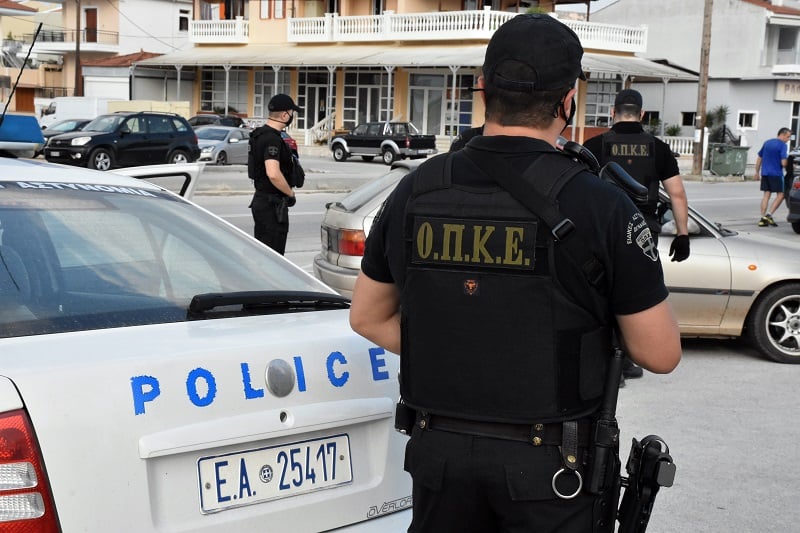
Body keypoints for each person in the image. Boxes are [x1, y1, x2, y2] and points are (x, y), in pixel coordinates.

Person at [349, 14, 681, 533]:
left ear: (484, 88)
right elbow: (659, 353)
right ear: (567, 100)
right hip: (552, 469)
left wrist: (465, 355)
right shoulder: (602, 204)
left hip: (440, 458)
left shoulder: (417, 187)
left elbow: (367, 317)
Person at [583, 88, 690, 382]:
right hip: (641, 231)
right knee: (635, 293)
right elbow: (677, 194)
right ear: (641, 115)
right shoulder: (658, 148)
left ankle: (605, 358)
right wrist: (682, 235)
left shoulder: (594, 145)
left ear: (612, 113)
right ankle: (627, 361)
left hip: (599, 230)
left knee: (598, 292)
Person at [247, 94, 301, 255]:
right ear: (284, 115)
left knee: (263, 255)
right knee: (273, 257)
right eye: (291, 113)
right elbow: (273, 173)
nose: (292, 117)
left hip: (261, 200)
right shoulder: (272, 139)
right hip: (272, 206)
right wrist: (290, 193)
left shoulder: (258, 134)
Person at [754, 127, 791, 227]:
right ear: (782, 135)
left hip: (765, 173)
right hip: (776, 174)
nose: (788, 140)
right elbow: (783, 163)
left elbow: (759, 158)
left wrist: (756, 172)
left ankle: (762, 218)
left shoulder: (767, 143)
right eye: (788, 137)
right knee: (781, 195)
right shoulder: (783, 145)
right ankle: (769, 215)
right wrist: (789, 164)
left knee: (766, 195)